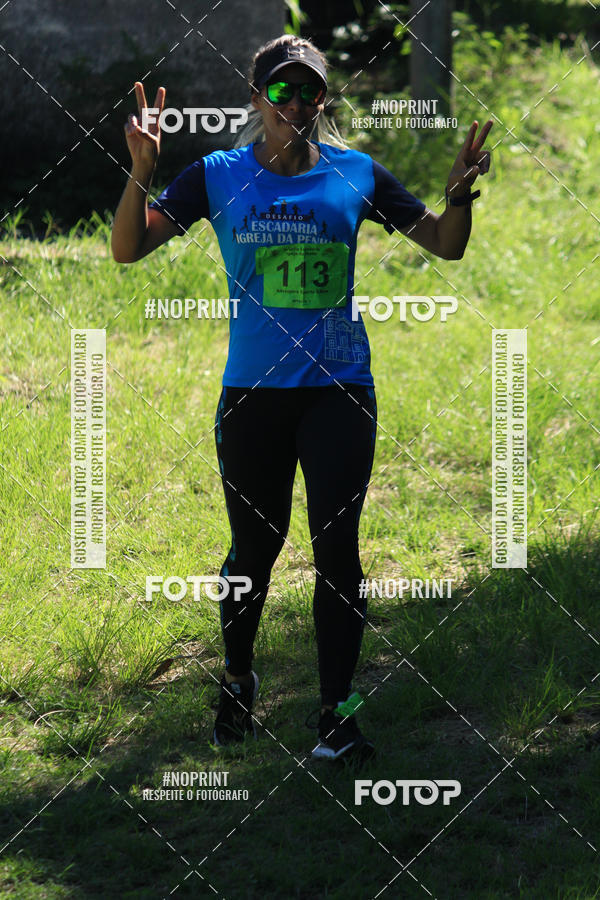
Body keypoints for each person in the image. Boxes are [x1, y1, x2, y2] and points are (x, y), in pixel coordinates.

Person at [111, 35, 492, 762]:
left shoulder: (356, 174)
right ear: (257, 100)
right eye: (281, 92)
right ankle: (236, 678)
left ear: (324, 101)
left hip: (339, 393)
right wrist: (140, 172)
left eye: (309, 91)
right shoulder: (216, 176)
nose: (296, 104)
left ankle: (335, 718)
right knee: (254, 549)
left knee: (338, 553)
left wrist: (458, 195)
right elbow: (129, 248)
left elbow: (445, 244)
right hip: (253, 396)